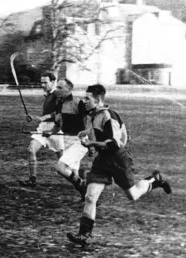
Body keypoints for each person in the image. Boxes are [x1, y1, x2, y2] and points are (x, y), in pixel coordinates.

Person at [67, 84, 172, 247]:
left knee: (133, 194)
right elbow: (96, 142)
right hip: (102, 160)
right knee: (90, 196)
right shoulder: (92, 115)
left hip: (118, 159)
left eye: (87, 98)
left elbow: (114, 143)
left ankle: (155, 179)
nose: (84, 100)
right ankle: (84, 235)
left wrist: (93, 143)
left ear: (98, 100)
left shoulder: (109, 115)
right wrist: (90, 145)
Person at [19, 72, 64, 187]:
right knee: (31, 149)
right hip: (43, 127)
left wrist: (43, 117)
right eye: (41, 82)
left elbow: (59, 112)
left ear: (53, 82)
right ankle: (32, 179)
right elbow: (45, 114)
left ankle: (81, 183)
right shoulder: (48, 95)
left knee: (64, 162)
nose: (42, 85)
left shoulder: (58, 94)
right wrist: (34, 118)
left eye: (45, 82)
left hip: (56, 128)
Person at [49, 78, 90, 199]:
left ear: (69, 89)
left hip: (80, 141)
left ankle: (85, 187)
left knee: (61, 167)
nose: (57, 90)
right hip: (66, 140)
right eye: (56, 87)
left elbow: (89, 123)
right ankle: (86, 196)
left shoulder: (78, 102)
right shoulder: (59, 103)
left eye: (60, 88)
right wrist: (50, 132)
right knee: (73, 173)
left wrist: (90, 142)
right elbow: (57, 124)